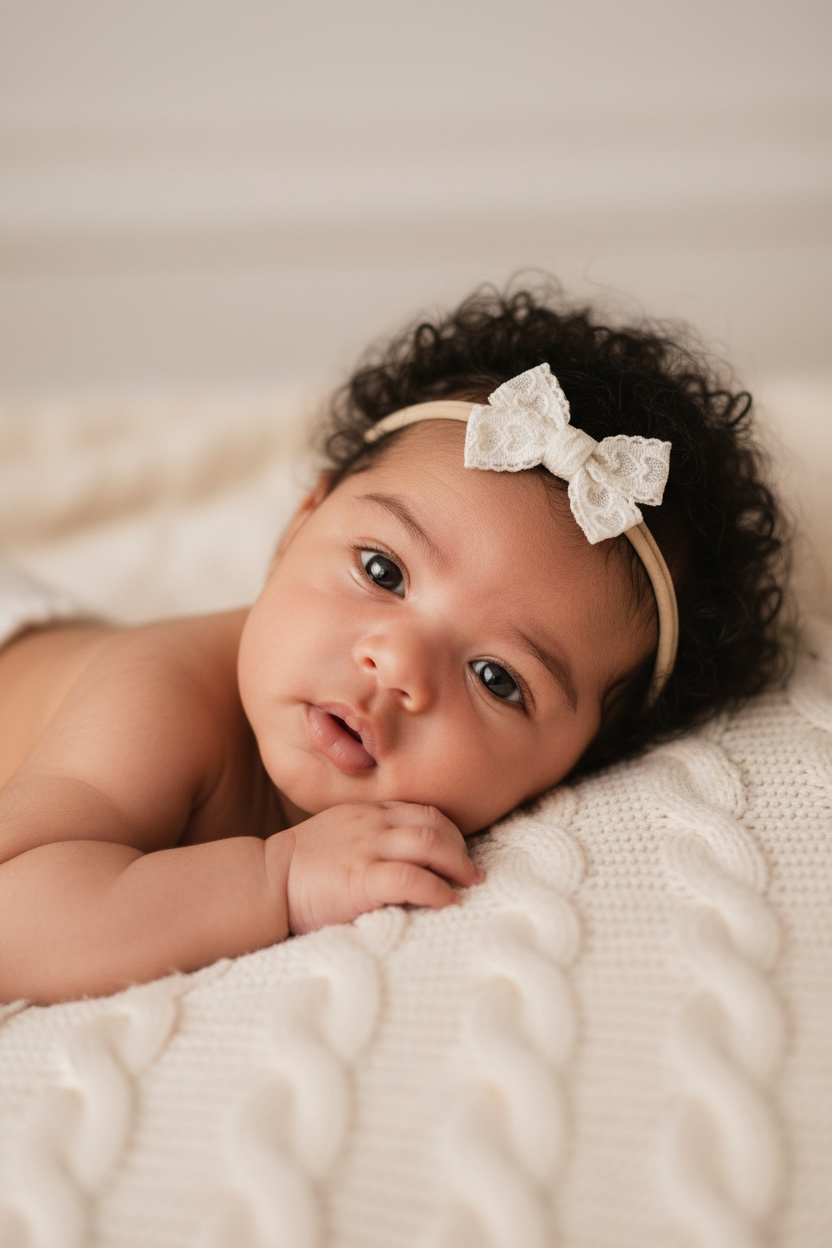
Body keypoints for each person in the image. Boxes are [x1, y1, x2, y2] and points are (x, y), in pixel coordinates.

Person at [0, 282, 793, 1005]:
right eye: (382, 570)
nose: (399, 665)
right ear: (299, 522)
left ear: (579, 765)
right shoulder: (161, 696)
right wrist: (275, 881)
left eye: (496, 677)